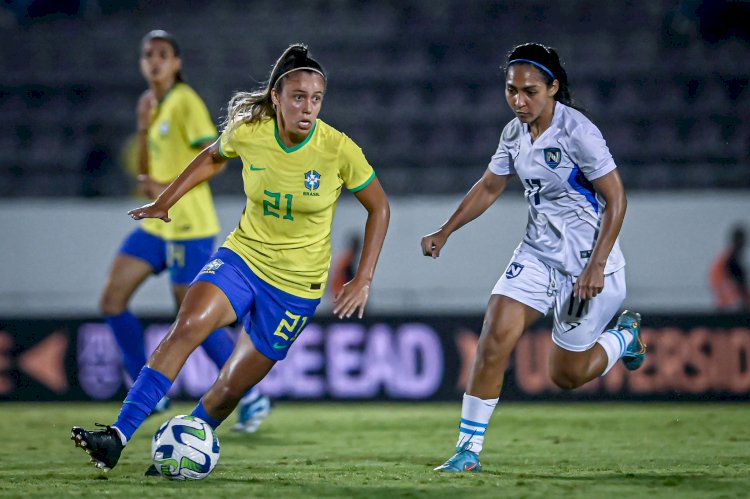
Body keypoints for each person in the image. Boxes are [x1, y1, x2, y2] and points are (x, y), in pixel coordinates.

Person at [71, 42, 390, 473]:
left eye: (316, 98)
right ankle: (117, 436)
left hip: (297, 287)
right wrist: (166, 201)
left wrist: (363, 277)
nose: (308, 108)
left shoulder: (338, 149)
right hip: (243, 257)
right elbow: (210, 156)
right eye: (298, 97)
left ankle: (184, 449)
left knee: (229, 388)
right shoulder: (251, 131)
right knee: (187, 327)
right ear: (276, 97)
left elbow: (379, 207)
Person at [422, 43, 646, 473]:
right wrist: (445, 231)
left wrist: (597, 265)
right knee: (494, 337)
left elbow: (616, 198)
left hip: (587, 267)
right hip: (537, 256)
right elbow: (489, 187)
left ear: (553, 88)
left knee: (567, 375)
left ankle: (624, 338)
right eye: (511, 91)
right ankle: (468, 451)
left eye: (529, 91)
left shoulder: (578, 132)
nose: (519, 101)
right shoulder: (514, 133)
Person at [98, 30, 269, 434]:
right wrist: (142, 128)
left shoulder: (185, 102)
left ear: (176, 63)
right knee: (112, 299)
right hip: (158, 224)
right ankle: (147, 389)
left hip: (188, 223)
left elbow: (216, 157)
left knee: (193, 318)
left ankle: (250, 393)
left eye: (163, 54)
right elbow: (145, 176)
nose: (154, 61)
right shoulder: (153, 107)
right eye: (148, 55)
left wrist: (168, 189)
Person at [709, 225, 749, 311]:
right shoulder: (729, 260)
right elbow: (738, 284)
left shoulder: (727, 259)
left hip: (727, 303)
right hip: (730, 304)